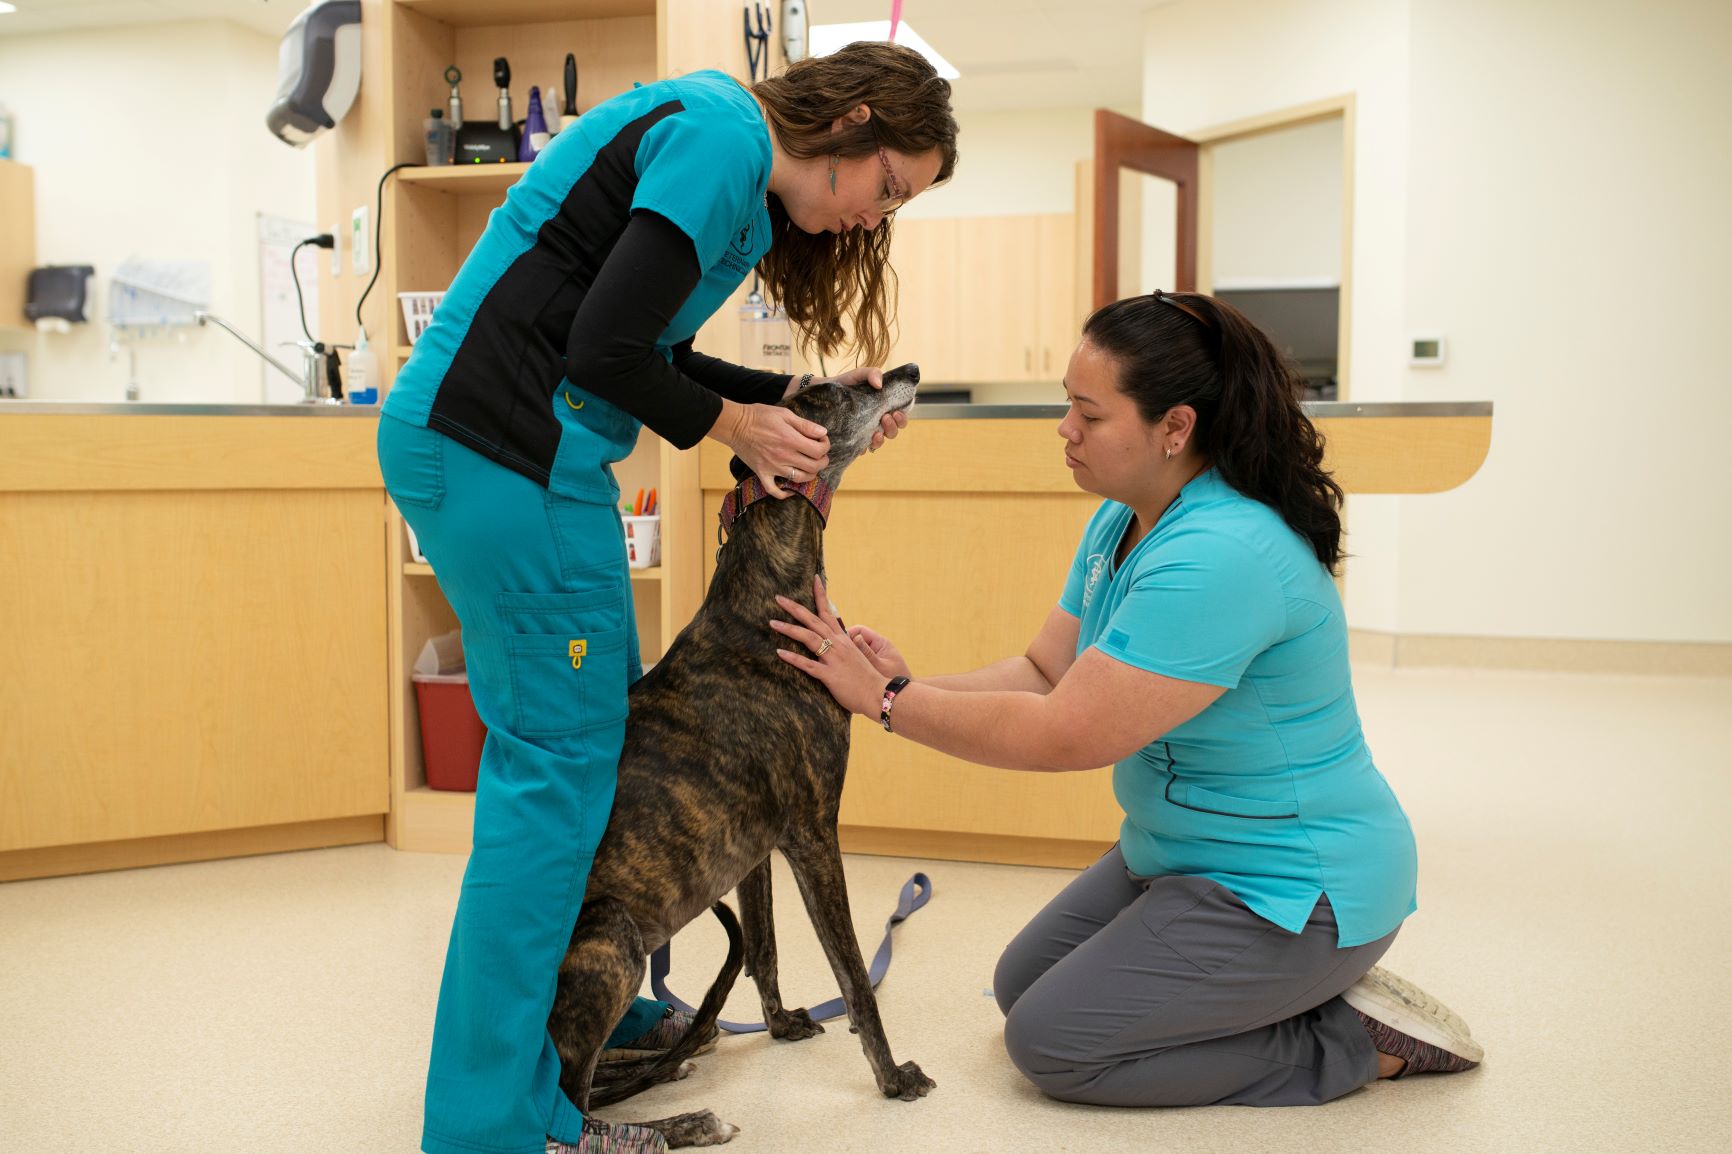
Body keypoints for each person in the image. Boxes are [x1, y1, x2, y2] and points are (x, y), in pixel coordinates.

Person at [376, 43, 958, 1154]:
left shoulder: (732, 173)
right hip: (504, 453)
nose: (872, 219)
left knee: (585, 745)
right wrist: (736, 427)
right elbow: (602, 350)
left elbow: (650, 345)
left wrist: (786, 395)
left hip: (519, 457)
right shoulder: (722, 142)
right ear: (857, 118)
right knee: (554, 769)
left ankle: (595, 1019)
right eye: (888, 187)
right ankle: (497, 1124)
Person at [771, 290, 1484, 1108]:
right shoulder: (1123, 521)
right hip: (1180, 855)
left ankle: (1354, 1040)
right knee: (1020, 987)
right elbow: (1045, 672)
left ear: (1174, 428)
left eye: (1088, 413)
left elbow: (1064, 734)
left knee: (1056, 1047)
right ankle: (1282, 989)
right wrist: (909, 682)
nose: (1065, 430)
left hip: (1292, 885)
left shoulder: (1223, 554)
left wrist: (889, 701)